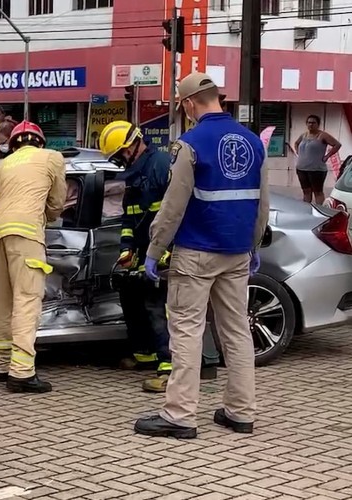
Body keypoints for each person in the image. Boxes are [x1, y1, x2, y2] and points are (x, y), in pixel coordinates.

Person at [134, 72, 269, 438]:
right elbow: (262, 203)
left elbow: (173, 206)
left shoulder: (189, 144)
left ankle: (179, 415)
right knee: (237, 331)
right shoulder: (254, 143)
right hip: (237, 253)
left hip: (195, 252)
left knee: (187, 332)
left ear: (190, 103)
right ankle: (240, 412)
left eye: (183, 106)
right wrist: (253, 245)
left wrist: (155, 249)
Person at [0, 121, 66, 392]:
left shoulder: (3, 164)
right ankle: (21, 372)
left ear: (13, 145)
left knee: (2, 302)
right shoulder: (51, 158)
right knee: (26, 301)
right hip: (26, 235)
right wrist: (48, 216)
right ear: (40, 142)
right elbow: (57, 201)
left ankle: (2, 364)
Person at [98, 120, 173, 392]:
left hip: (162, 249)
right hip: (143, 250)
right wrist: (126, 250)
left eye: (119, 156)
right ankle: (145, 355)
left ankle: (168, 367)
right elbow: (128, 218)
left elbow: (174, 213)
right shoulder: (132, 175)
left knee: (157, 304)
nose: (119, 162)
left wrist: (166, 250)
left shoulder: (161, 165)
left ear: (132, 145)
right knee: (130, 297)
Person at [292, 114, 341, 205]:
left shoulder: (322, 135)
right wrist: (298, 152)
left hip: (316, 169)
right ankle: (306, 212)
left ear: (318, 124)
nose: (311, 124)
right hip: (301, 169)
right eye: (309, 122)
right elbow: (296, 143)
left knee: (317, 192)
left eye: (313, 123)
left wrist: (327, 156)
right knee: (306, 191)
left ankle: (320, 213)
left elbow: (337, 145)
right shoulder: (303, 135)